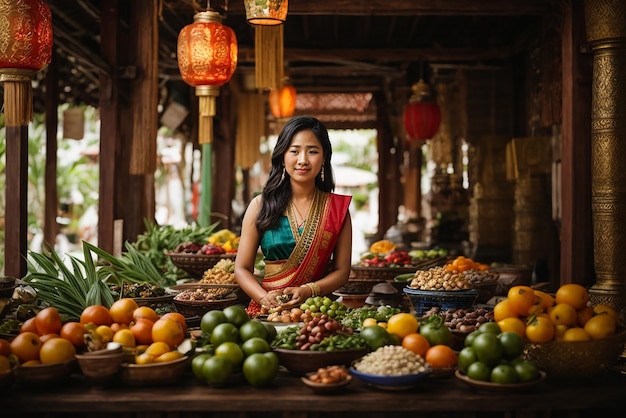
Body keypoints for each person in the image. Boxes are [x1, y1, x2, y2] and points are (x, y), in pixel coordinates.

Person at [235, 116, 353, 317]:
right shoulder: (260, 205)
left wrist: (309, 290)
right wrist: (264, 298)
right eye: (294, 151)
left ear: (324, 157)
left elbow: (342, 272)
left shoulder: (337, 209)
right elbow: (242, 269)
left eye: (313, 151)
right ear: (283, 156)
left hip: (317, 313)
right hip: (267, 312)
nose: (303, 160)